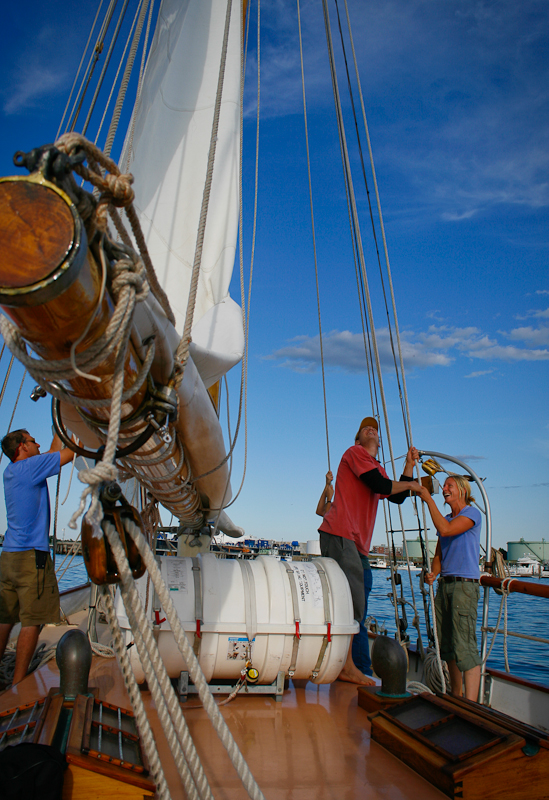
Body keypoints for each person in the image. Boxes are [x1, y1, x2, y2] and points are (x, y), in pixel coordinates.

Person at [318, 416, 421, 684]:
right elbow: (381, 486)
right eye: (365, 428)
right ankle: (349, 668)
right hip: (341, 533)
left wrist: (409, 467)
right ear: (358, 440)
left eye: (374, 427)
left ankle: (359, 668)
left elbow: (395, 494)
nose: (371, 428)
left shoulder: (377, 467)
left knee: (359, 605)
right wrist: (412, 485)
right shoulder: (355, 454)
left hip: (356, 543)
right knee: (351, 604)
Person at [0, 429, 74, 685]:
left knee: (5, 618)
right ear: (22, 447)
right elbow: (69, 454)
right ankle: (17, 684)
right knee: (32, 620)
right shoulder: (30, 468)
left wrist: (61, 429)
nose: (37, 443)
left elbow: (53, 452)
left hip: (9, 557)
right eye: (33, 441)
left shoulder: (12, 472)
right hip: (32, 559)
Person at [416, 475, 482, 701]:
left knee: (466, 648)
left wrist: (427, 498)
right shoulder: (444, 518)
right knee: (449, 647)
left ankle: (472, 706)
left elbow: (445, 530)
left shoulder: (471, 514)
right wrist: (433, 573)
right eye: (444, 486)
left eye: (449, 486)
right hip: (445, 586)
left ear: (462, 490)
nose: (444, 489)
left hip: (464, 588)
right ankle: (456, 696)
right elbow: (439, 553)